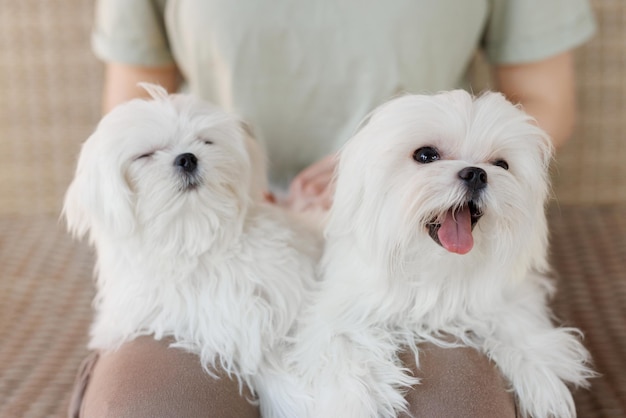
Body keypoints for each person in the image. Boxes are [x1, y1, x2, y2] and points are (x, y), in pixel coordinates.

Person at [70, 1, 595, 416]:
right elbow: (132, 111)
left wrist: (382, 171)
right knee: (145, 406)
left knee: (453, 405)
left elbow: (540, 102)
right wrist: (228, 179)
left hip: (423, 241)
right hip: (225, 216)